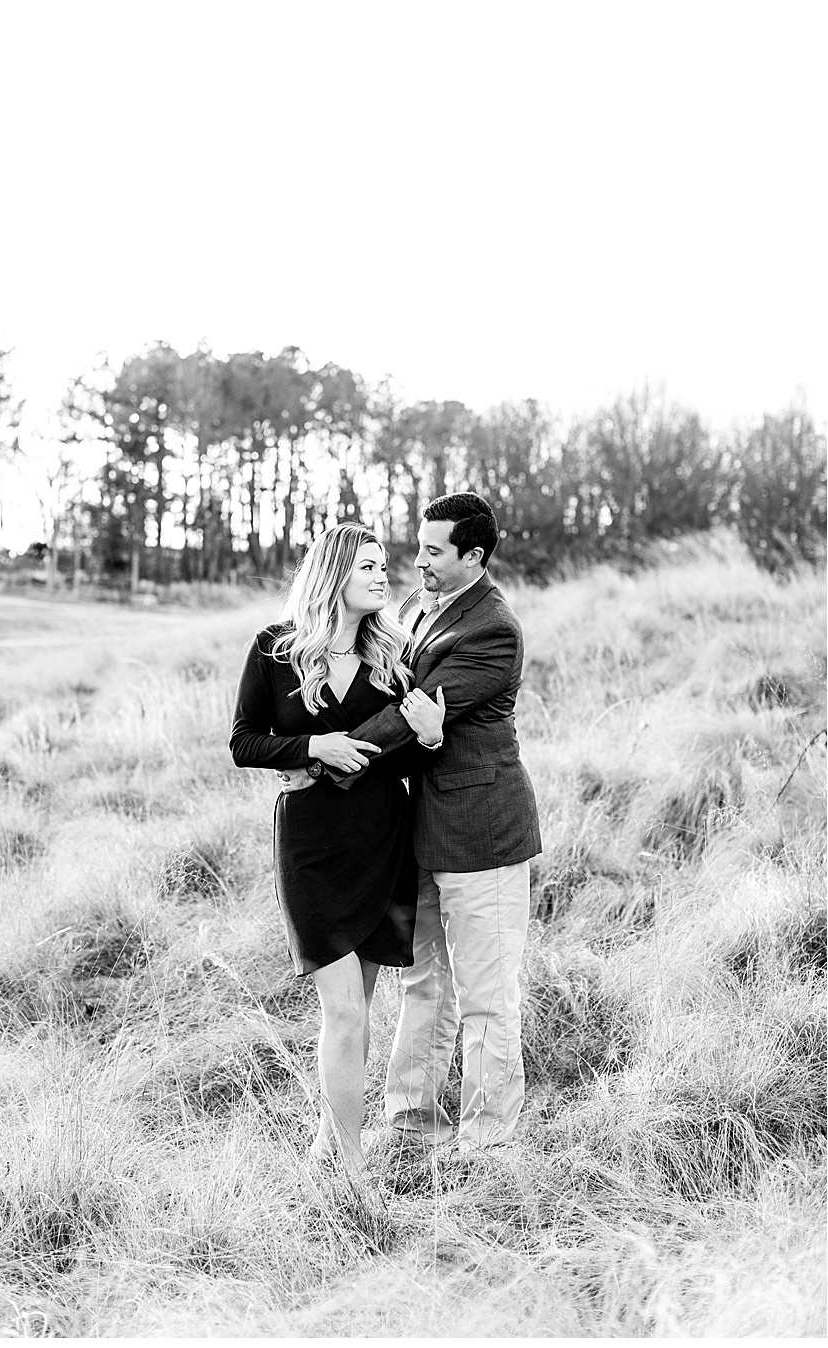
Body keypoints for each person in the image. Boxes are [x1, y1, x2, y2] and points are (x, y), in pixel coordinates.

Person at [319, 491, 544, 1157]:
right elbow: (407, 710)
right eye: (417, 547)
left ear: (474, 556)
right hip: (425, 833)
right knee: (424, 981)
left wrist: (334, 757)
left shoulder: (492, 628)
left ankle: (486, 1138)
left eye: (434, 551)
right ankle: (411, 1116)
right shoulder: (423, 607)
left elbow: (410, 715)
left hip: (483, 832)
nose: (417, 562)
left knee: (484, 994)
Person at [228, 522, 444, 1176]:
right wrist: (312, 746)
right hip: (313, 849)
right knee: (344, 1009)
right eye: (368, 567)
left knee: (359, 1011)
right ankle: (349, 1168)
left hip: (383, 841)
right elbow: (244, 742)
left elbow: (413, 748)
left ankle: (328, 1142)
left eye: (383, 566)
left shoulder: (395, 654)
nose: (383, 576)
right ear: (334, 575)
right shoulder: (276, 649)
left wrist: (431, 738)